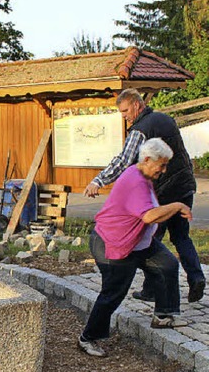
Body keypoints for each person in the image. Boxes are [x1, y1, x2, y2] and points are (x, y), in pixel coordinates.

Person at [84, 88, 205, 303]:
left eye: (125, 111)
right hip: (185, 185)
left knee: (150, 241)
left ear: (136, 105)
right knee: (181, 237)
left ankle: (151, 290)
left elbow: (124, 161)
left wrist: (99, 180)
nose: (124, 116)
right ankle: (196, 277)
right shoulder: (165, 119)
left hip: (163, 191)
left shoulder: (140, 130)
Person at [79, 138, 191, 358]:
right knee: (113, 293)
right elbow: (148, 216)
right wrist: (177, 206)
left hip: (138, 242)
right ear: (148, 160)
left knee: (166, 264)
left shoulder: (144, 174)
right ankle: (87, 338)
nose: (164, 169)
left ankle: (163, 314)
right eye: (162, 164)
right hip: (113, 242)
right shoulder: (135, 180)